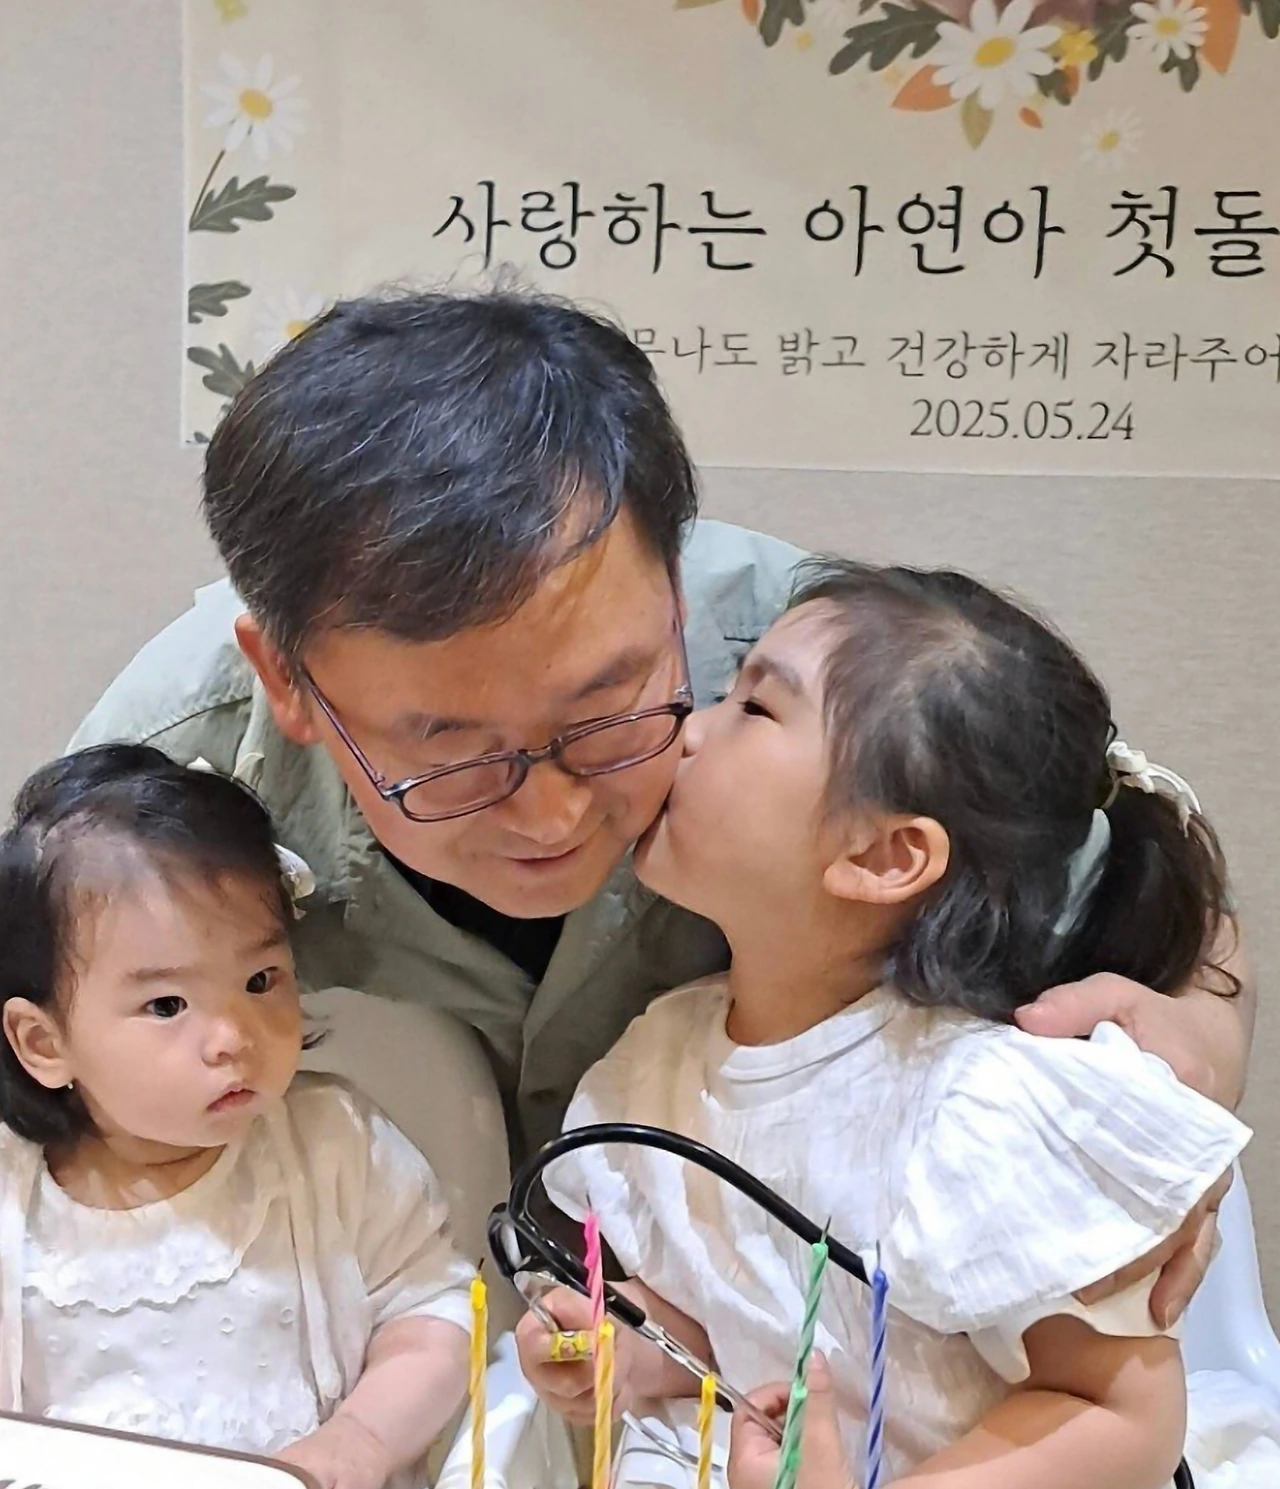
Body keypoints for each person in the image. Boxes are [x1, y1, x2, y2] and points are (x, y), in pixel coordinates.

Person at [73, 287, 1252, 1322]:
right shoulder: (163, 778)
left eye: (605, 711)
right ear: (286, 679)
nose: (548, 818)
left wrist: (1197, 1037)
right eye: (448, 753)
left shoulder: (820, 682)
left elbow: (1135, 853)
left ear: (674, 583)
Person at [518, 560, 1273, 1489]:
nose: (687, 730)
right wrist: (629, 1347)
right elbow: (738, 1319)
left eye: (753, 708)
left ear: (884, 855)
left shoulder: (974, 1108)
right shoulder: (661, 1060)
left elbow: (1120, 1415)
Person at [0, 744, 474, 1489]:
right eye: (167, 1004)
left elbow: (436, 1311)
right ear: (44, 1042)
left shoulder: (332, 1145)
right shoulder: (12, 1202)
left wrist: (360, 1439)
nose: (233, 1037)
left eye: (260, 979)